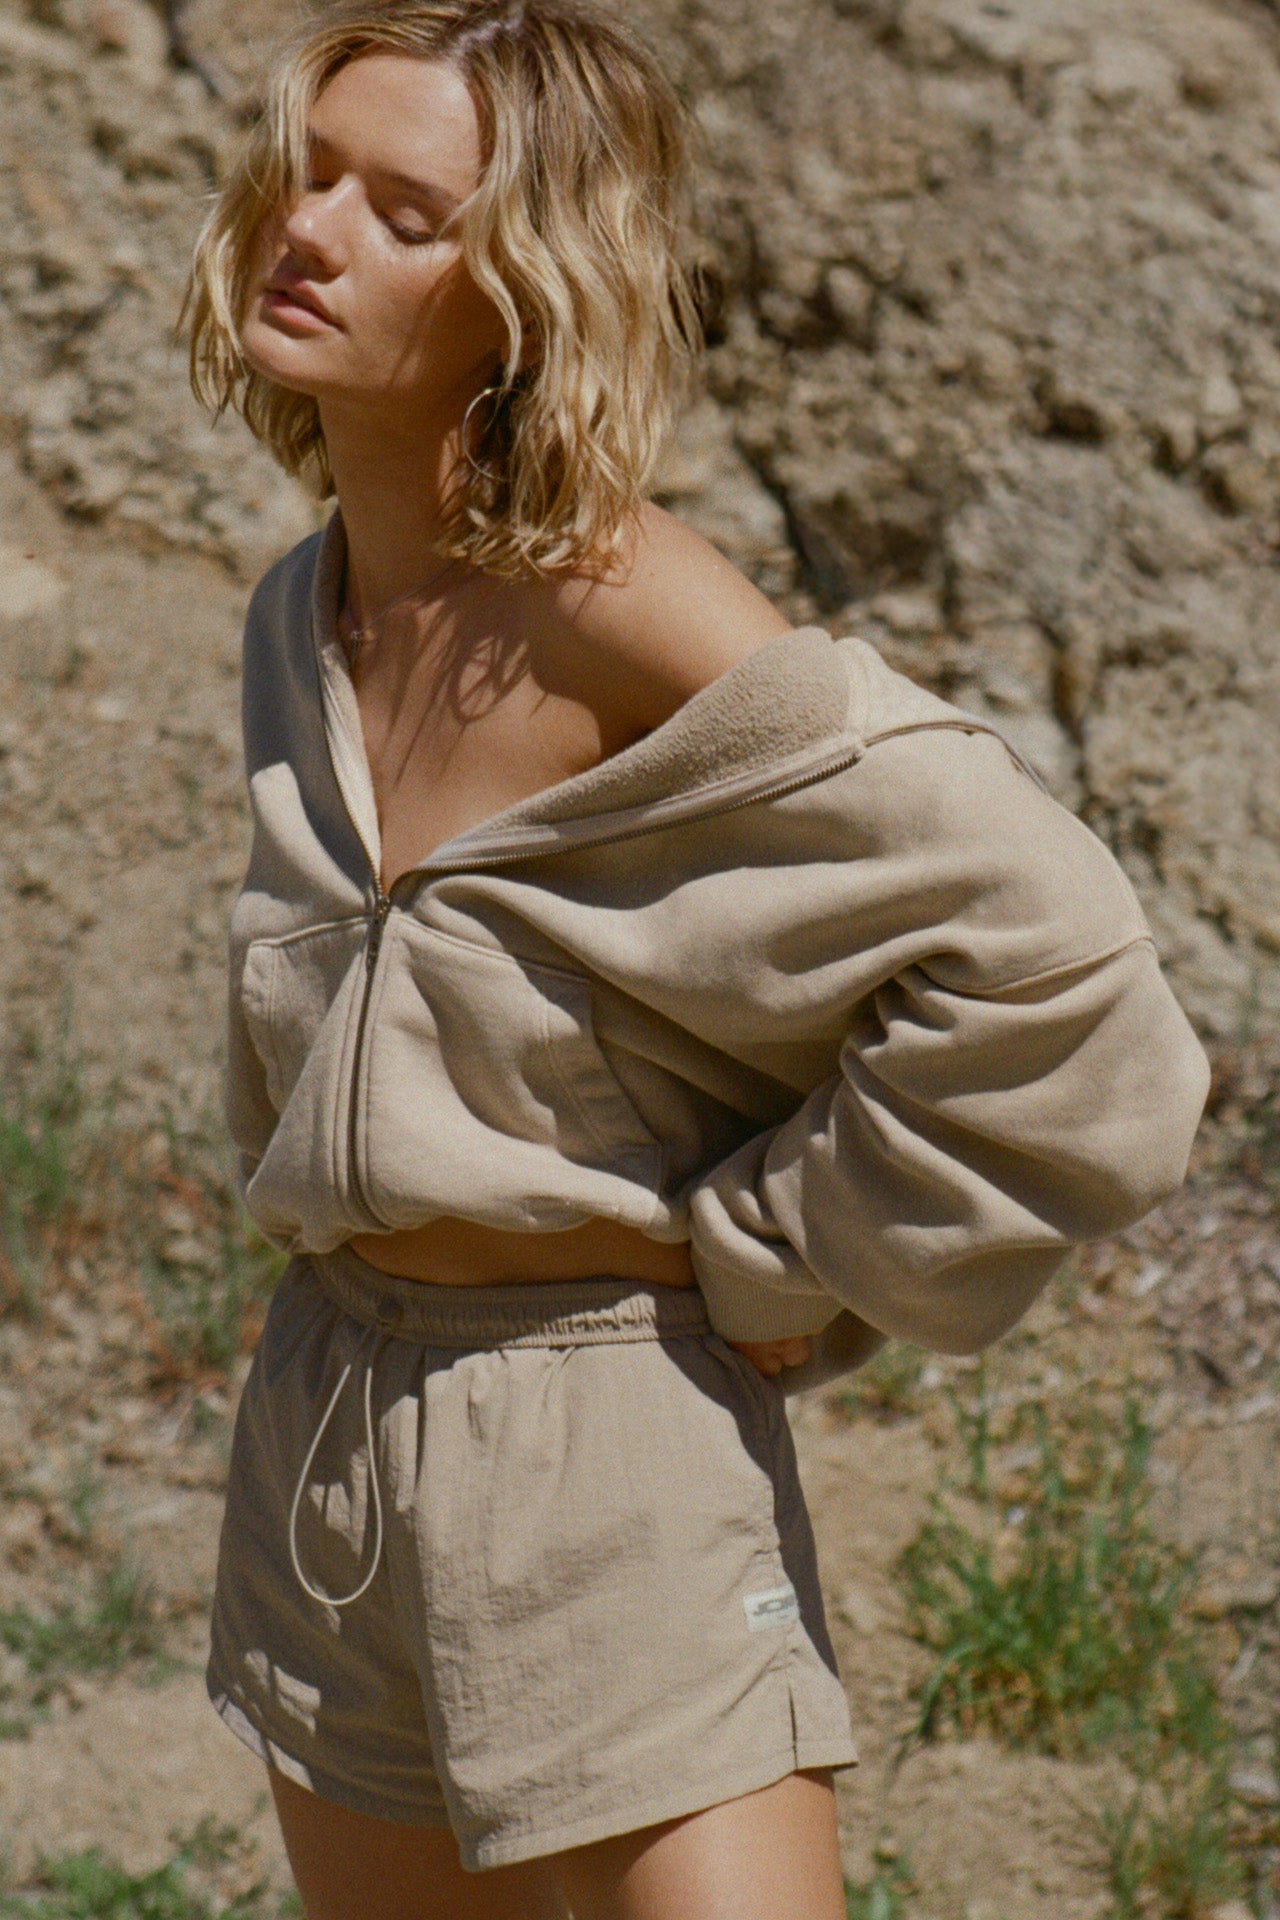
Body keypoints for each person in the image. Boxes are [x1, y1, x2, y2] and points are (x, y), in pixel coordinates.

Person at [180, 3, 1211, 1915]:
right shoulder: (297, 613)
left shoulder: (616, 600)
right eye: (310, 174)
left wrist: (777, 1256)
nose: (309, 231)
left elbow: (1060, 962)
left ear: (522, 291)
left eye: (407, 212)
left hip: (608, 1439)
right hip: (322, 1426)